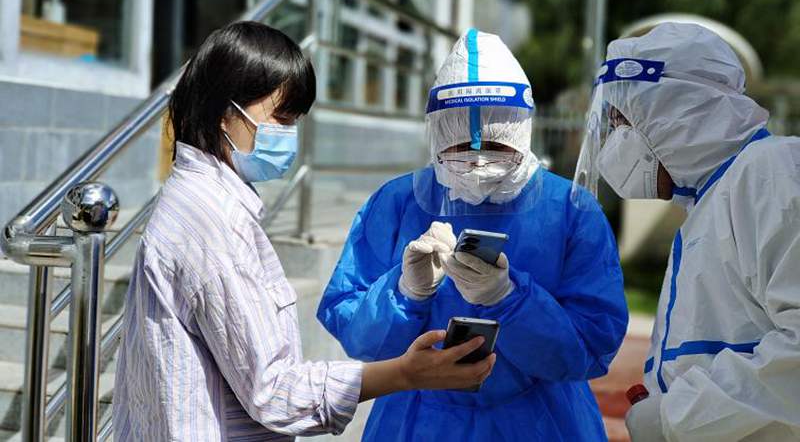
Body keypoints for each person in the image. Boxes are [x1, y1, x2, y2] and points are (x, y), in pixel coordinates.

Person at [112, 22, 496, 441]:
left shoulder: (201, 204)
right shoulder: (210, 224)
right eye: (280, 118)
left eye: (294, 121)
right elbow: (274, 392)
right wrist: (406, 372)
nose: (288, 135)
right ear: (225, 114)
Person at [317, 28, 628, 441]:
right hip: (416, 422)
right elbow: (359, 337)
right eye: (460, 149)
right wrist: (405, 292)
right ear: (437, 135)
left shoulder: (571, 211)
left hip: (539, 422)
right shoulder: (396, 203)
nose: (478, 162)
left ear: (521, 132)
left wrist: (511, 299)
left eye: (497, 149)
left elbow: (591, 346)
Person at [572, 22, 800, 441]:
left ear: (676, 112)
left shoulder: (769, 174)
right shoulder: (711, 201)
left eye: (624, 123)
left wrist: (676, 416)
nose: (616, 143)